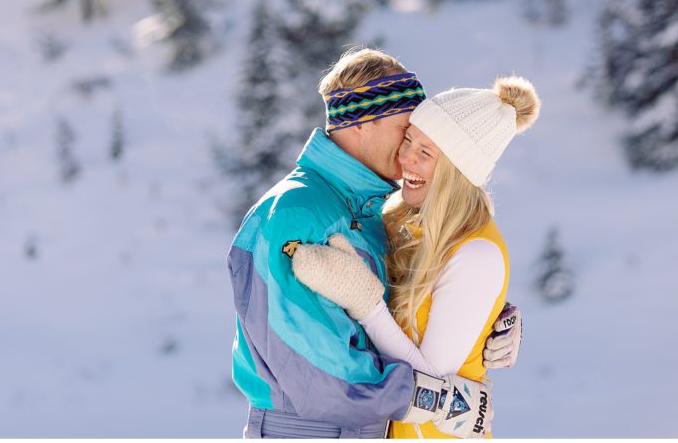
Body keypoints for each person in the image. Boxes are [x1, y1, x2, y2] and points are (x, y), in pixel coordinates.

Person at [227, 49, 522, 439]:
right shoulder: (298, 213)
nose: (407, 151)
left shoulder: (373, 211)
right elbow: (312, 370)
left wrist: (487, 318)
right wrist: (439, 399)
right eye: (406, 130)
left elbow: (408, 295)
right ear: (363, 122)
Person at [291, 76, 541, 438]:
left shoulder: (476, 252)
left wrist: (366, 304)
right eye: (408, 139)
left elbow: (430, 383)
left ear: (459, 173)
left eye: (426, 153)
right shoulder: (402, 219)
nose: (406, 157)